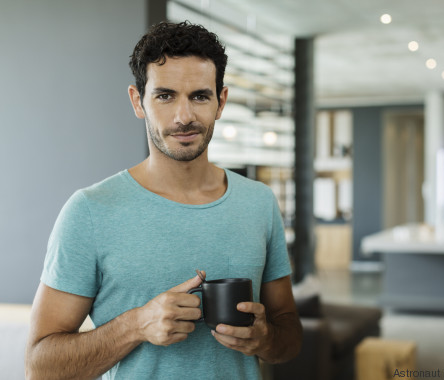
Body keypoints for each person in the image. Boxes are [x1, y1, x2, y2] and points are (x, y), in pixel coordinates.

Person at [25, 21, 302, 380]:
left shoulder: (259, 203)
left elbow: (290, 337)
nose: (184, 116)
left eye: (200, 96)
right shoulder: (90, 211)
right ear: (138, 101)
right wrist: (136, 325)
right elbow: (39, 367)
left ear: (221, 102)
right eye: (165, 95)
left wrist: (265, 339)